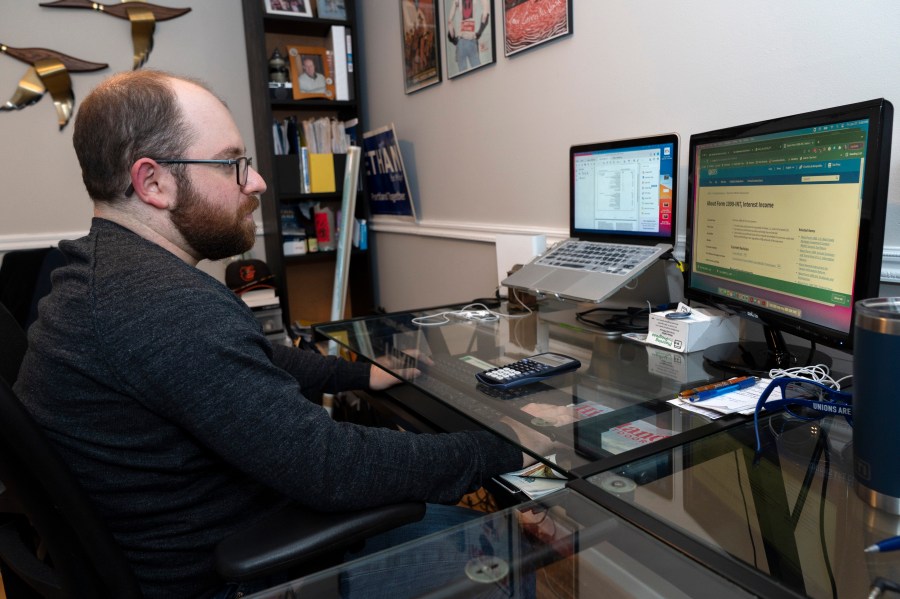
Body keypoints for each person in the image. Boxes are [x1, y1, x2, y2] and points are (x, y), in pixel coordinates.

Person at [13, 70, 550, 599]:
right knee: (508, 548)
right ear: (153, 182)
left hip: (192, 542)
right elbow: (332, 468)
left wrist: (357, 374)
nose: (256, 182)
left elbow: (244, 360)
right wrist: (504, 448)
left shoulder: (110, 273)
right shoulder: (162, 304)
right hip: (230, 575)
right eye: (231, 164)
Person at [447, 0, 491, 72]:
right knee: (477, 72)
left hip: (463, 41)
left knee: (463, 74)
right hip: (470, 40)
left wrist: (453, 39)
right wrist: (479, 32)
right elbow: (485, 16)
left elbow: (449, 22)